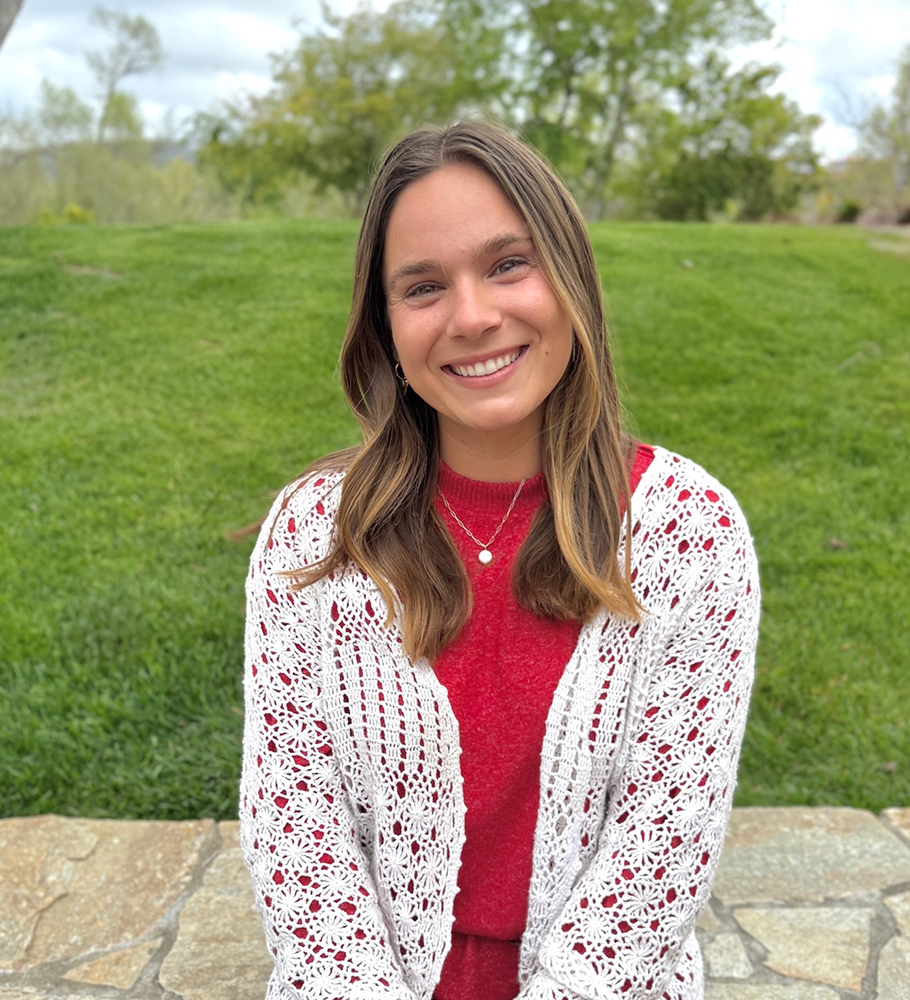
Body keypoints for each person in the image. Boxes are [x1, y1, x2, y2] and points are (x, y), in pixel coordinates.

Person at [240, 120, 759, 1000]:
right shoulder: (311, 542)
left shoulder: (690, 534)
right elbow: (298, 830)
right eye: (423, 286)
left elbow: (663, 846)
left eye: (508, 264)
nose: (472, 316)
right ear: (386, 326)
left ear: (571, 279)